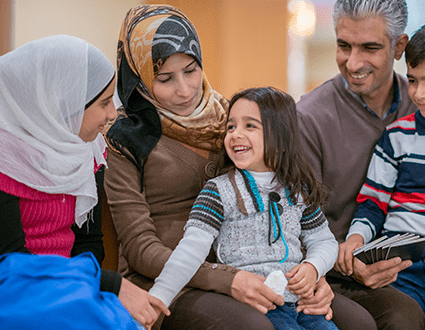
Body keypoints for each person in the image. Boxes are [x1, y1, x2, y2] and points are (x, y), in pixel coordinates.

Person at [104, 4, 375, 330]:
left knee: (358, 322)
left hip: (260, 273)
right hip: (171, 280)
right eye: (164, 78)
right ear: (141, 80)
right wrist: (228, 279)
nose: (185, 89)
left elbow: (292, 221)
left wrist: (311, 274)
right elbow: (140, 250)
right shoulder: (125, 139)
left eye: (191, 70)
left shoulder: (232, 121)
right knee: (256, 326)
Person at [297, 0, 425, 329]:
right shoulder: (308, 118)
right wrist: (347, 262)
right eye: (343, 46)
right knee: (403, 317)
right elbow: (290, 223)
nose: (353, 62)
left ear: (399, 46)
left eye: (369, 47)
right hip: (337, 272)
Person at [0, 34, 169, 330]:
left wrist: (95, 287)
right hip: (18, 288)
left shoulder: (87, 150)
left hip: (74, 283)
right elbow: (12, 261)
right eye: (104, 103)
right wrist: (107, 284)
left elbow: (88, 242)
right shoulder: (6, 157)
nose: (112, 115)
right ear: (65, 104)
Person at [149, 87, 340, 330]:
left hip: (302, 302)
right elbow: (189, 251)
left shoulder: (297, 189)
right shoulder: (218, 191)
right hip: (257, 304)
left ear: (281, 137)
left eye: (250, 126)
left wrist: (314, 267)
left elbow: (324, 241)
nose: (235, 134)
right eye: (231, 126)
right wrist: (157, 299)